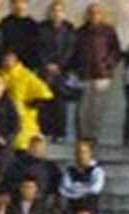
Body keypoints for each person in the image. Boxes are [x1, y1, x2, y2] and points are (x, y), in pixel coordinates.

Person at [71, 3, 121, 143]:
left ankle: (93, 135)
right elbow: (74, 52)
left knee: (97, 108)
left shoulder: (108, 31)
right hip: (84, 74)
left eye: (97, 13)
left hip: (102, 74)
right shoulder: (80, 32)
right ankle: (82, 135)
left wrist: (108, 64)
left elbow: (115, 51)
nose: (94, 15)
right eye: (91, 13)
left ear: (102, 15)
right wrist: (76, 69)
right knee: (82, 108)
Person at [37, 1, 77, 143]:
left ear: (63, 13)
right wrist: (47, 64)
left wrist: (59, 65)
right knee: (44, 102)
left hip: (62, 70)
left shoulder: (69, 29)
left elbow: (71, 50)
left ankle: (59, 133)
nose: (56, 14)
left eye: (59, 11)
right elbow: (38, 48)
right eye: (54, 11)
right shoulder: (41, 28)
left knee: (60, 103)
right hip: (45, 70)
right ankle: (45, 131)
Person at [0, 51, 55, 152]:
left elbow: (45, 93)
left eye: (9, 60)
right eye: (5, 60)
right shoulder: (0, 75)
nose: (7, 62)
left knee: (22, 143)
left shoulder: (25, 75)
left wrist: (34, 103)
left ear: (15, 60)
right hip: (3, 115)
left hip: (23, 117)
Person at [59, 138, 105, 214]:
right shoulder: (69, 171)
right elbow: (64, 190)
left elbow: (95, 189)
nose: (81, 155)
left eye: (84, 152)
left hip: (90, 212)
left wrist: (75, 187)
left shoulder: (97, 170)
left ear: (90, 153)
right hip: (72, 210)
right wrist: (85, 188)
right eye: (78, 152)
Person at [0, 0, 40, 71]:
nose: (19, 6)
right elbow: (1, 43)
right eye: (16, 3)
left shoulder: (33, 24)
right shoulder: (5, 23)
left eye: (22, 2)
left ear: (26, 5)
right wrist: (8, 55)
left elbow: (36, 47)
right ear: (11, 5)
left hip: (28, 65)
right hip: (9, 64)